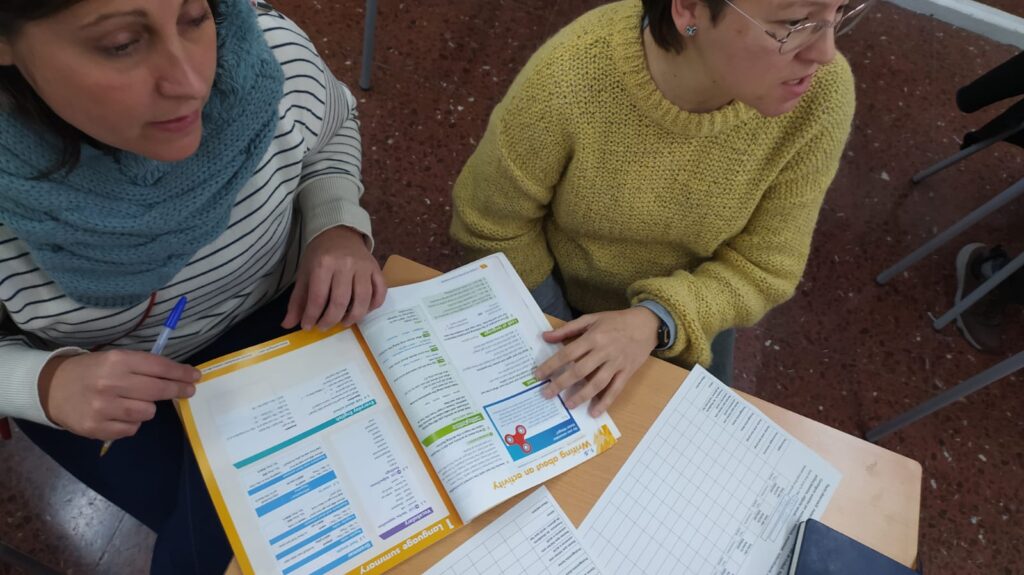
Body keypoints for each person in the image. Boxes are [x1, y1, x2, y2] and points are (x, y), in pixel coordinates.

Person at [0, 0, 384, 572]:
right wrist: (44, 382)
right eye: (122, 44)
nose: (192, 83)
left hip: (283, 314)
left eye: (195, 17)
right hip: (98, 391)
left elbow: (330, 131)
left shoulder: (265, 57)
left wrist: (335, 227)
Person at [451, 0, 870, 416]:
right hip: (551, 294)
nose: (825, 52)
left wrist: (655, 320)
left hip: (690, 305)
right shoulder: (571, 74)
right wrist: (566, 336)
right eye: (795, 23)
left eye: (839, 11)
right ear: (688, 9)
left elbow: (765, 268)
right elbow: (491, 224)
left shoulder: (822, 94)